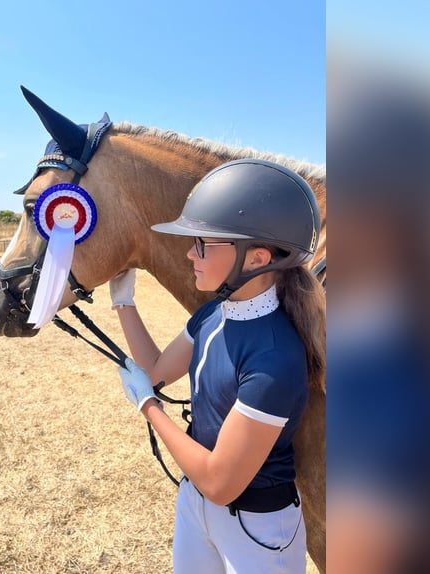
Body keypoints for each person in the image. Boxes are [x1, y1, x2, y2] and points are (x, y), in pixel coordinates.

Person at [111, 158, 325, 573]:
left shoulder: (275, 355)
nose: (190, 253)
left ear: (256, 257)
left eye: (203, 243)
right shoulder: (212, 315)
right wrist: (123, 302)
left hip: (257, 528)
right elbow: (155, 370)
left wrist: (148, 407)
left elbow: (221, 482)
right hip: (195, 502)